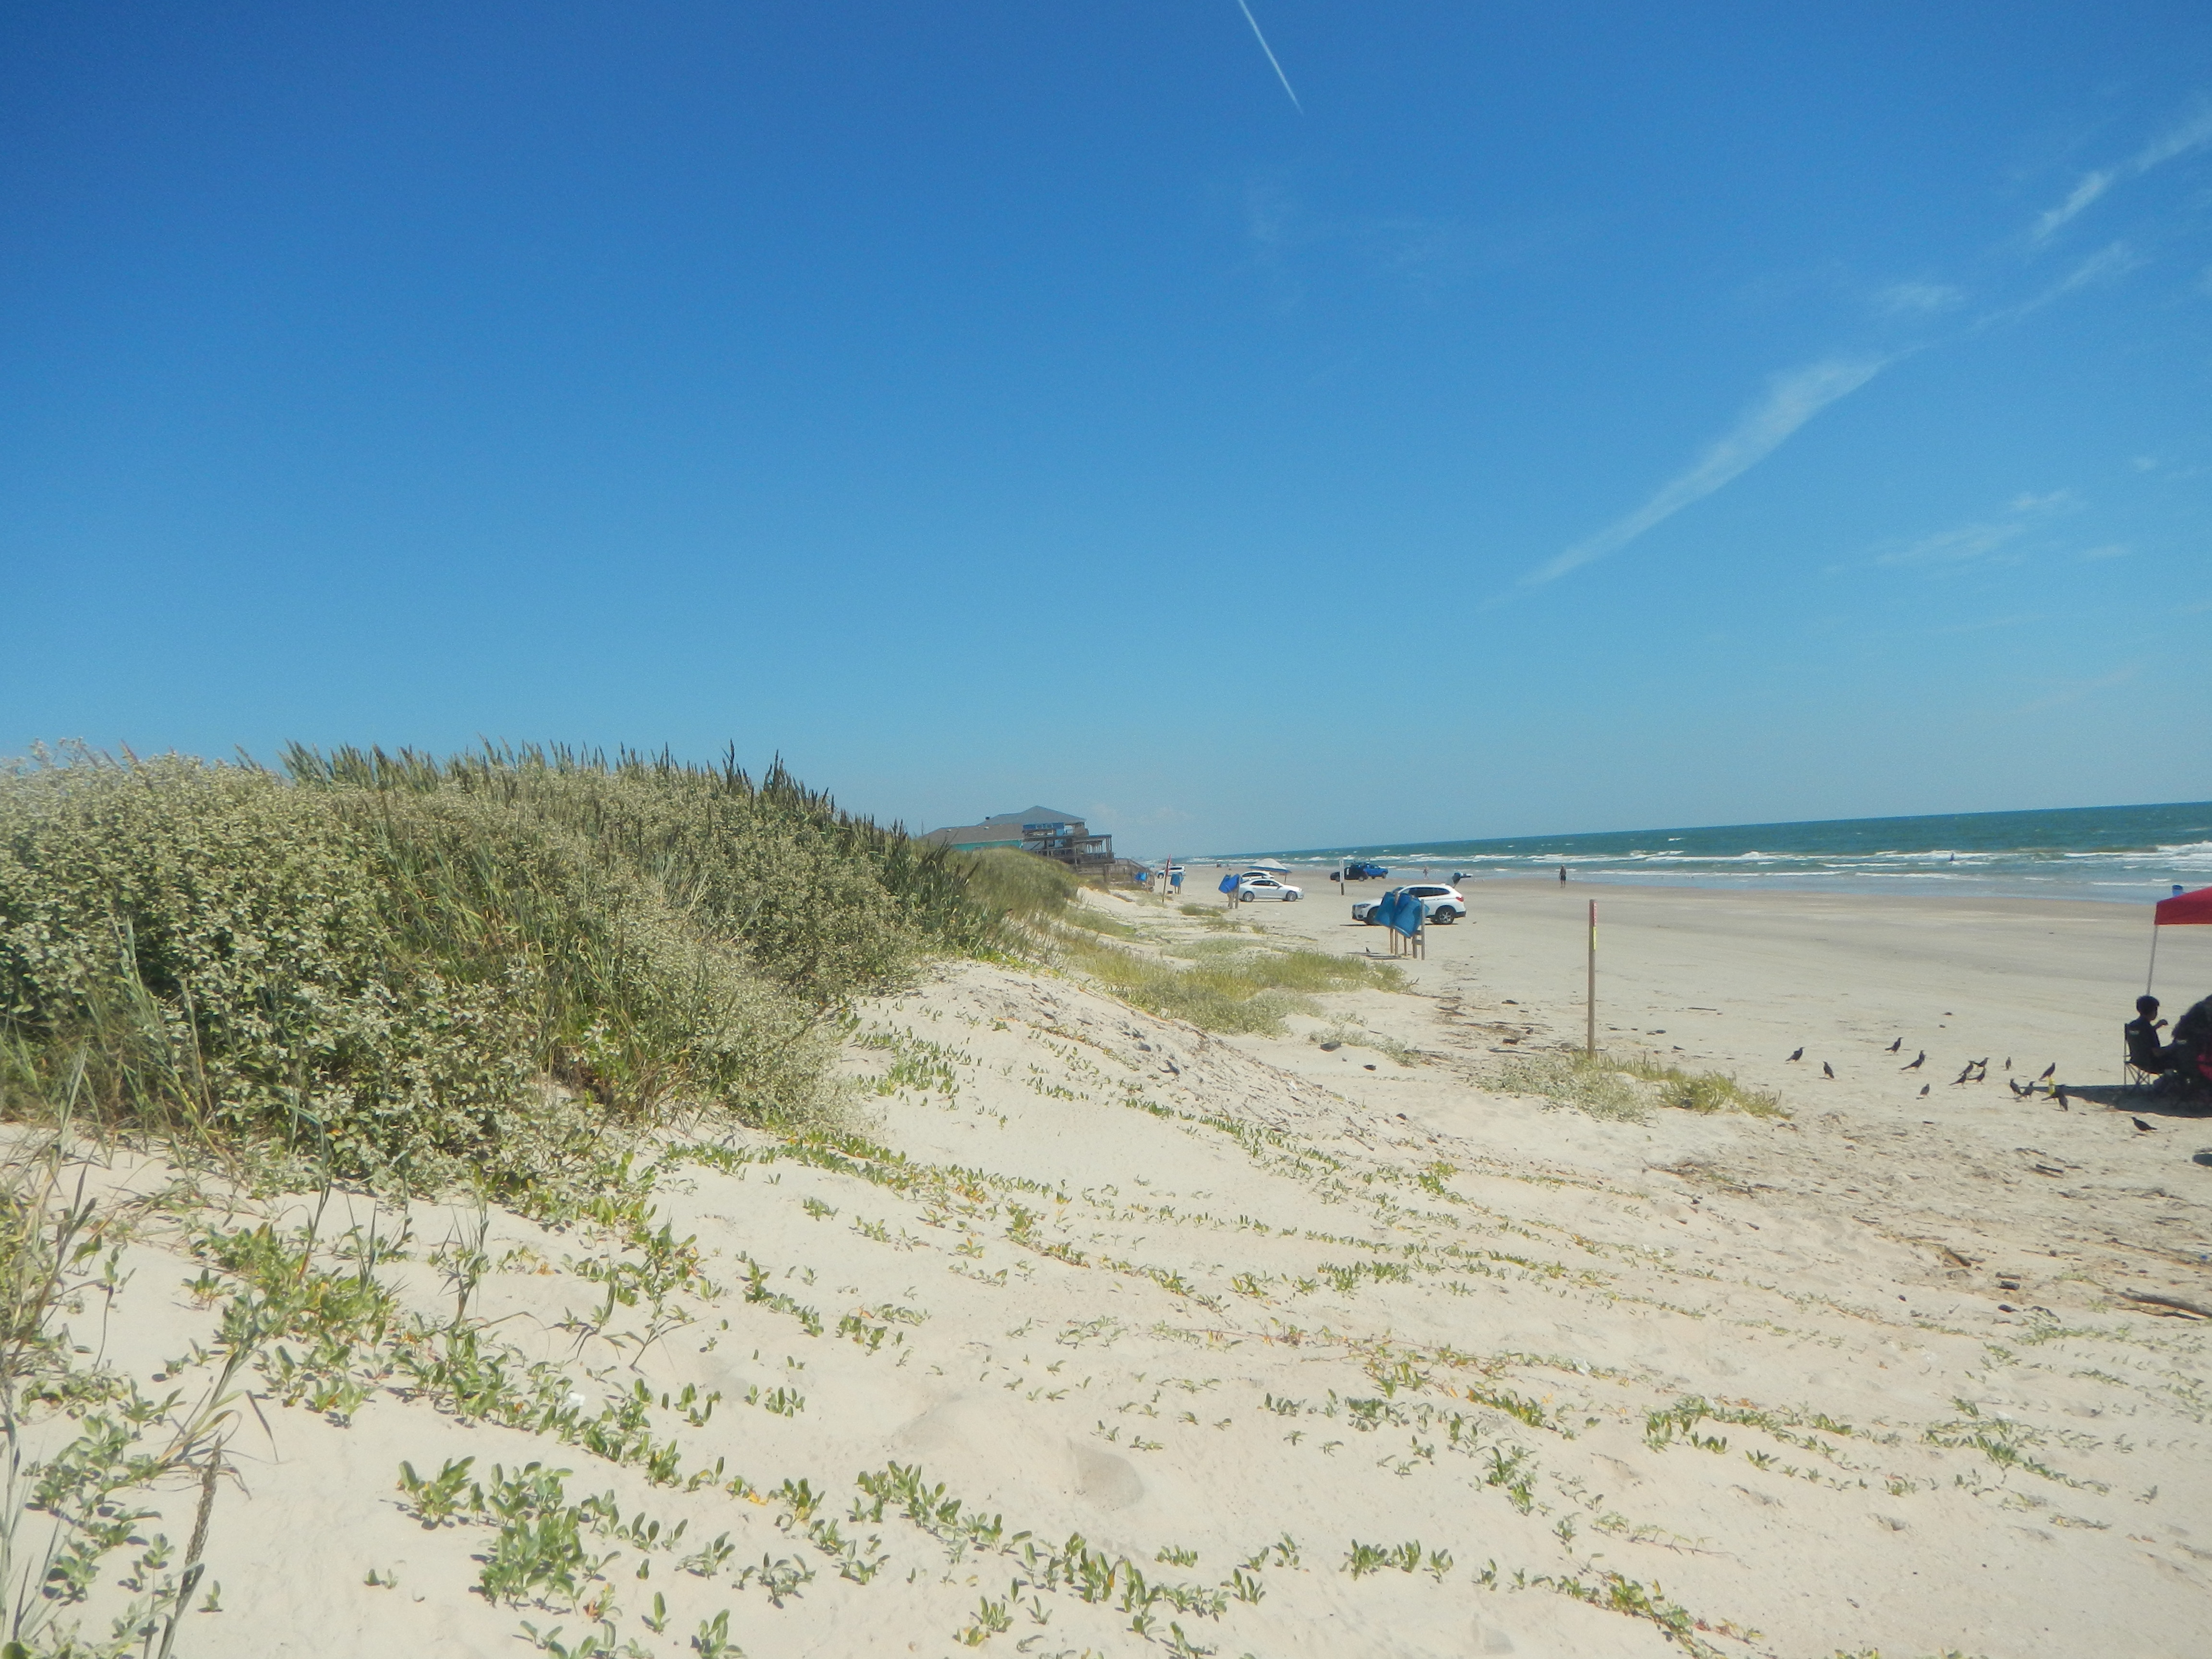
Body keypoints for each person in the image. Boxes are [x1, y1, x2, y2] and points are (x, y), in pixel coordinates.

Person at [2126, 995, 2175, 1073]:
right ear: (2154, 1011)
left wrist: (2156, 1027)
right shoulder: (2147, 1028)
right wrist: (2173, 1047)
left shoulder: (2133, 1025)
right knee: (2179, 1058)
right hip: (2153, 1064)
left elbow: (2143, 1036)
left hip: (2138, 1061)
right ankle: (2172, 1082)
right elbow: (2157, 1053)